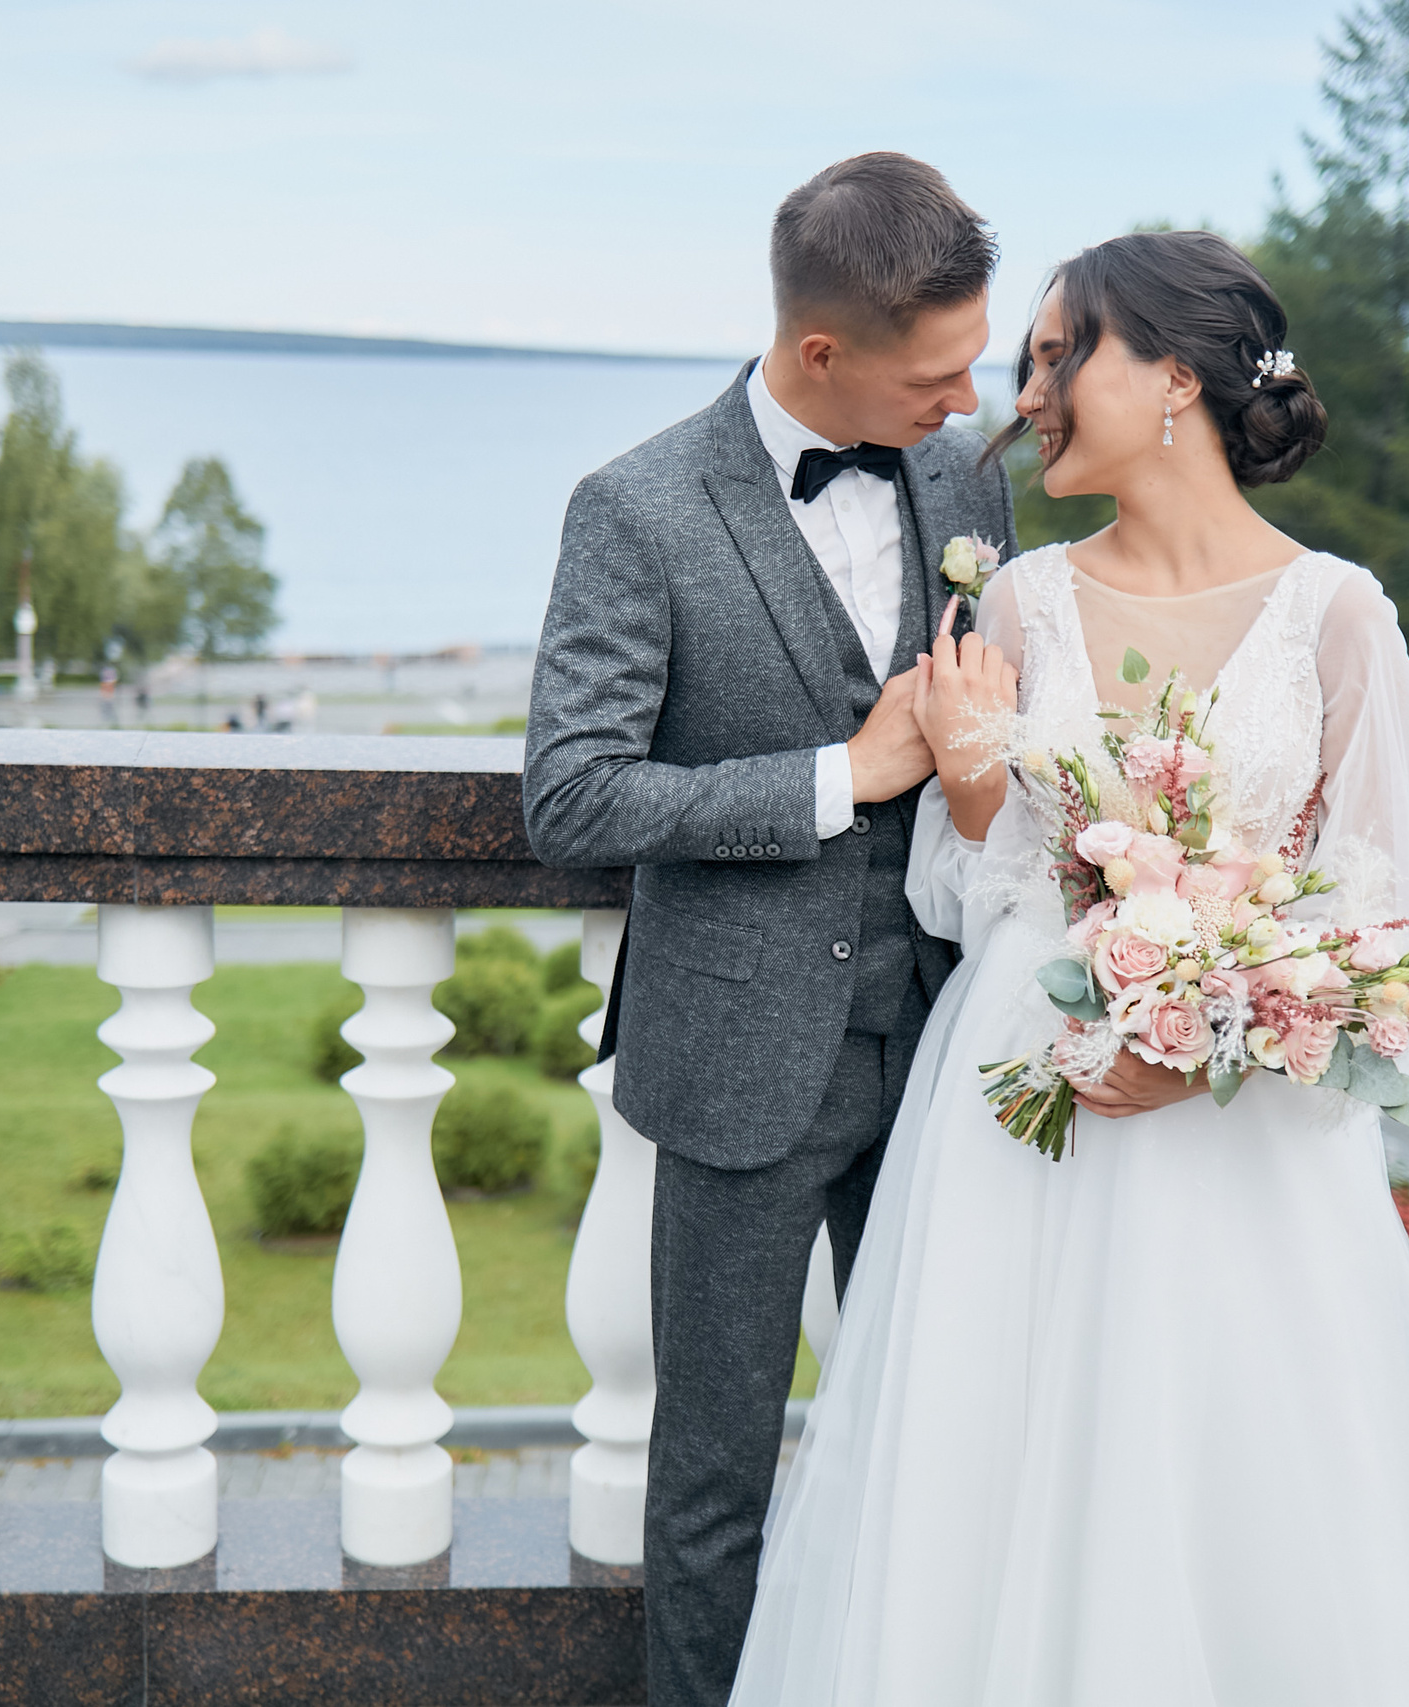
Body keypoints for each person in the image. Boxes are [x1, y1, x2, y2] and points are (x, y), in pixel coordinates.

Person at [729, 231, 1409, 1705]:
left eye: (1061, 355)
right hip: (1023, 1104)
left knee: (1250, 1483)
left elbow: (1379, 918)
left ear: (1174, 375)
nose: (1028, 389)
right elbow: (968, 886)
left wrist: (1204, 1032)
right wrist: (979, 770)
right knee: (990, 1473)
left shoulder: (1338, 615)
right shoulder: (1023, 603)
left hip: (1247, 1143)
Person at [522, 153, 1015, 1707]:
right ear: (822, 354)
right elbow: (574, 799)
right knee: (716, 1478)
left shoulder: (965, 476)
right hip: (737, 1065)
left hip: (948, 1047)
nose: (968, 394)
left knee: (939, 1445)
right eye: (939, 371)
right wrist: (840, 776)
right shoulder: (636, 510)